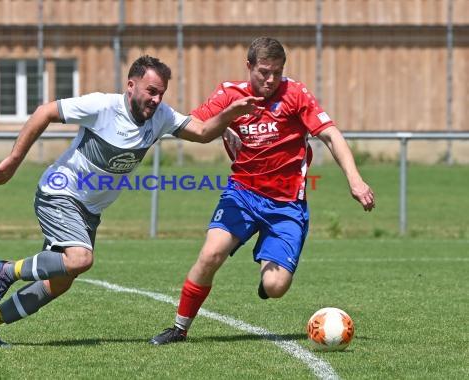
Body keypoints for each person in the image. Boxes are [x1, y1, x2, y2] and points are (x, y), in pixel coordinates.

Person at [0, 55, 263, 346]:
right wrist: (14, 160)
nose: (157, 99)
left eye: (161, 93)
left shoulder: (161, 117)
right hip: (61, 192)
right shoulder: (102, 106)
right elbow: (45, 112)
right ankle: (5, 271)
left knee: (60, 281)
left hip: (89, 210)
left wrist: (228, 116)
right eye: (151, 91)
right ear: (131, 85)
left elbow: (201, 131)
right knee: (80, 259)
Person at [149, 37, 375, 345]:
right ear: (249, 66)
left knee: (275, 287)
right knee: (211, 253)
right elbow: (196, 124)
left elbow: (331, 135)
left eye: (277, 72)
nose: (270, 80)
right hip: (242, 193)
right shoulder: (230, 93)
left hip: (286, 204)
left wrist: (355, 179)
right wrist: (226, 118)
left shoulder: (295, 94)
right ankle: (179, 328)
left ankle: (267, 273)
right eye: (264, 72)